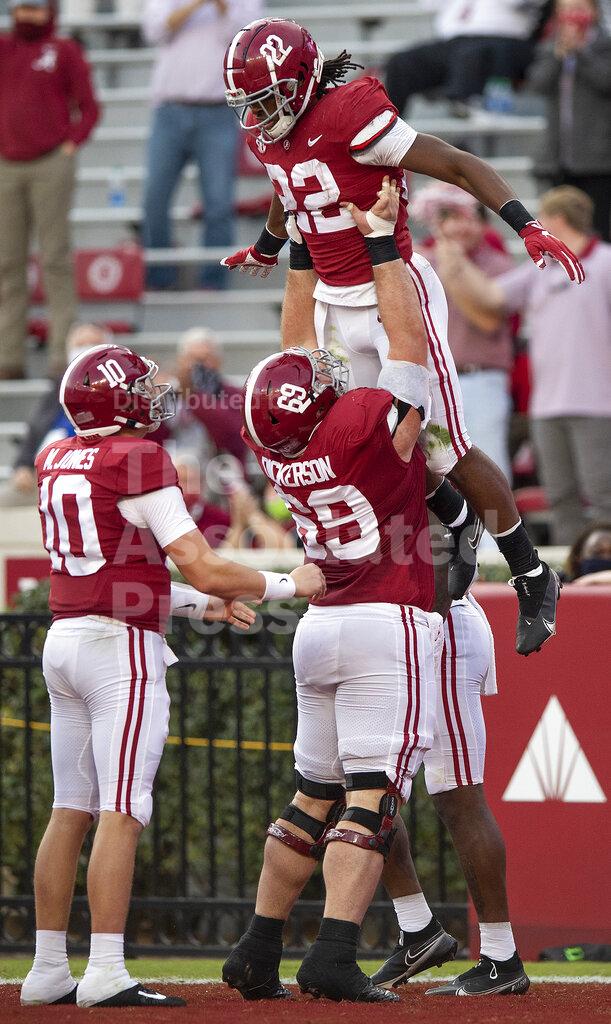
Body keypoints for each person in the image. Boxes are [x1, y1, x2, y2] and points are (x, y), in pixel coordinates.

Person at [221, 18, 583, 656]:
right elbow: (289, 185)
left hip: (395, 292)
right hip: (332, 302)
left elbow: (458, 163)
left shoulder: (352, 111)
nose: (259, 115)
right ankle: (458, 521)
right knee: (366, 447)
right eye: (249, 104)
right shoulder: (270, 132)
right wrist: (269, 244)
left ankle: (531, 571)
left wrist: (525, 225)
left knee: (442, 445)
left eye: (267, 99)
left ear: (303, 83)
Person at [21, 342, 324, 1008]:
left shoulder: (55, 457)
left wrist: (198, 602)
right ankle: (103, 971)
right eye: (140, 389)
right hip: (117, 651)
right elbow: (202, 562)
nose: (153, 401)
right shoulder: (139, 459)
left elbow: (114, 571)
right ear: (114, 399)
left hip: (66, 640)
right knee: (122, 811)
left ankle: (46, 970)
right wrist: (285, 581)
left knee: (69, 810)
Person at [223, 179, 443, 1004]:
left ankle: (256, 946)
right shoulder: (358, 425)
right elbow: (405, 341)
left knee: (311, 796)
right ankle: (335, 951)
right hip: (385, 617)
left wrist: (303, 252)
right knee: (370, 797)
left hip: (318, 623)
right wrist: (381, 242)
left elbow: (290, 350)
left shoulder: (275, 442)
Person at [372, 553, 529, 997]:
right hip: (399, 625)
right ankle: (417, 929)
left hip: (435, 627)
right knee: (363, 788)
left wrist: (427, 627)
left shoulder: (433, 483)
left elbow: (446, 548)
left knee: (458, 797)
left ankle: (501, 957)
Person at [439, 186, 611, 544]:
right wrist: (453, 259)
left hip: (599, 402)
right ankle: (573, 571)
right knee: (560, 497)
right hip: (546, 406)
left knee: (603, 494)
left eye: (542, 220)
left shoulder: (606, 263)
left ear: (557, 221)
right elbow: (491, 297)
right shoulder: (541, 270)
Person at [0, 0, 99, 380]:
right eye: (21, 6)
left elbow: (88, 107)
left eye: (35, 7)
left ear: (51, 10)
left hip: (50, 163)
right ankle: (9, 356)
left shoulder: (64, 50)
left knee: (54, 257)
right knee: (8, 263)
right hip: (7, 164)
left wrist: (71, 143)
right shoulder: (4, 47)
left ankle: (63, 354)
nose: (27, 14)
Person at [141, 0, 262, 290]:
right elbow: (154, 31)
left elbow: (245, 39)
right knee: (154, 199)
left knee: (219, 202)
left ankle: (213, 279)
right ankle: (159, 279)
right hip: (169, 110)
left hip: (217, 111)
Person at [410, 182, 515, 481]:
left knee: (490, 465)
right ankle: (449, 530)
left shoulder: (499, 265)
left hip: (480, 377)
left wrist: (451, 260)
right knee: (437, 472)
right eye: (451, 218)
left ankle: (498, 529)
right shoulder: (420, 263)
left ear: (484, 225)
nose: (461, 227)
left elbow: (489, 320)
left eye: (469, 218)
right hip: (432, 379)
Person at [0, 323, 113, 509]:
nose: (85, 350)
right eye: (80, 344)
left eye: (92, 344)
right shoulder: (59, 387)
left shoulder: (115, 393)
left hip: (87, 478)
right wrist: (22, 466)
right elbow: (35, 429)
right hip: (40, 478)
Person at [527, 0, 611, 241]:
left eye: (580, 8)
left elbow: (606, 82)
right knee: (558, 230)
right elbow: (538, 85)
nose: (573, 16)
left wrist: (581, 52)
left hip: (598, 158)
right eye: (566, 10)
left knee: (599, 229)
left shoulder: (605, 46)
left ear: (594, 11)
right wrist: (559, 55)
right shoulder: (550, 46)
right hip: (557, 157)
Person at [385, 0, 549, 118]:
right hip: (453, 42)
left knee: (469, 55)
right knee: (401, 62)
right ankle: (389, 126)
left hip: (504, 42)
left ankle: (463, 103)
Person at [173, 326, 246, 465]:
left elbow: (234, 436)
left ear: (218, 361)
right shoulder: (168, 393)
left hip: (221, 472)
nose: (199, 366)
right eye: (193, 359)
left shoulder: (234, 394)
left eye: (206, 359)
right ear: (180, 361)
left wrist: (193, 396)